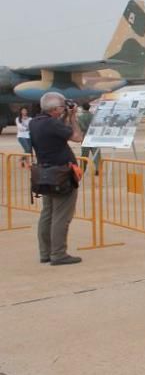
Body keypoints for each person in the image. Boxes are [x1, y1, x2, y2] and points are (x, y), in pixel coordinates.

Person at [29, 92, 84, 265]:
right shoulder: (52, 124)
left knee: (47, 214)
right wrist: (73, 118)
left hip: (45, 174)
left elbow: (57, 131)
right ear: (54, 109)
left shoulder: (35, 123)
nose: (63, 109)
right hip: (62, 175)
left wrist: (66, 115)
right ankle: (59, 254)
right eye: (61, 107)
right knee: (61, 216)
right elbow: (77, 137)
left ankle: (45, 252)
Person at [77, 103, 101, 172]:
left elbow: (81, 127)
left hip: (85, 137)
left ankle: (82, 169)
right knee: (96, 154)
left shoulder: (80, 117)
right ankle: (98, 168)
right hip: (94, 136)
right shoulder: (94, 116)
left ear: (82, 108)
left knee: (84, 154)